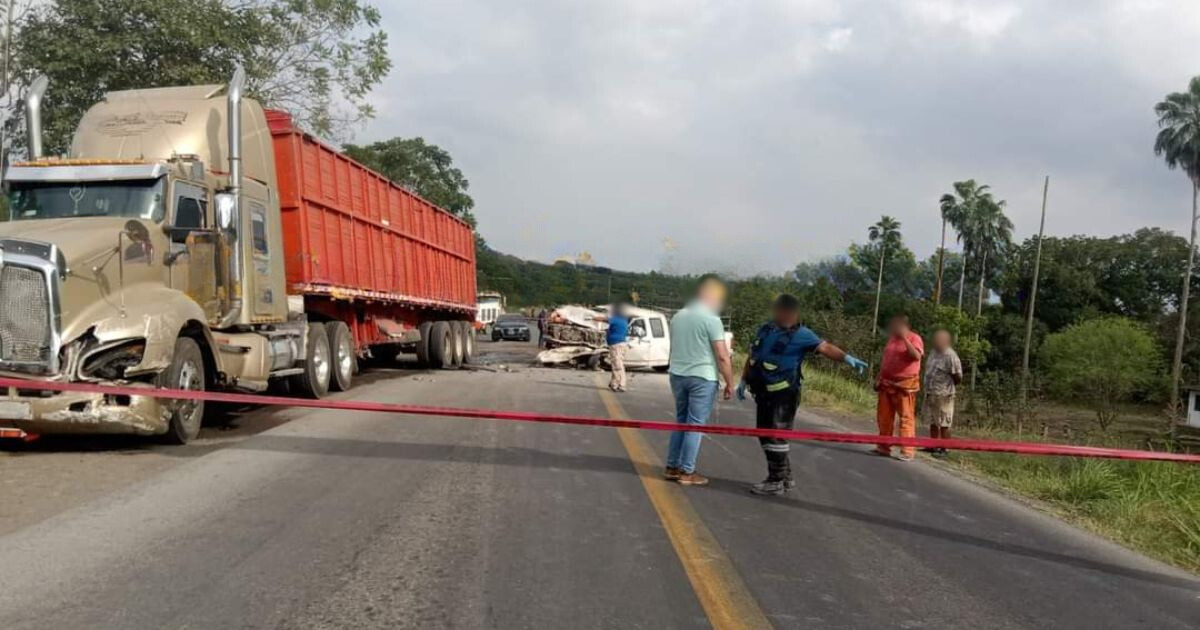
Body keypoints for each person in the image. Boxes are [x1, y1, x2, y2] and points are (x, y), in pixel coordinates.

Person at [737, 294, 868, 495]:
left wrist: (846, 358)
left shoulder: (802, 334)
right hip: (763, 393)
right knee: (764, 434)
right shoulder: (766, 329)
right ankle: (784, 475)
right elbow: (754, 355)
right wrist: (744, 379)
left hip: (783, 395)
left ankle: (776, 480)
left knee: (776, 437)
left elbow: (825, 347)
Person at [664, 275, 734, 486]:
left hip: (677, 374)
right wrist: (730, 382)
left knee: (681, 421)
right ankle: (687, 471)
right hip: (702, 377)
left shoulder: (678, 316)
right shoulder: (711, 319)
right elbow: (722, 355)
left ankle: (672, 467)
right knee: (695, 425)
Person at [874, 314, 924, 461]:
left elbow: (916, 356)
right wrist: (878, 378)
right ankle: (883, 447)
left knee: (906, 418)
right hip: (886, 383)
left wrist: (904, 338)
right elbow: (886, 361)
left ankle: (907, 451)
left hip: (904, 385)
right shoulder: (891, 339)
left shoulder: (915, 338)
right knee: (884, 417)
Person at [921, 329, 962, 458]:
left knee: (944, 422)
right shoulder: (934, 352)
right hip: (931, 392)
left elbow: (958, 376)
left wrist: (947, 386)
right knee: (933, 421)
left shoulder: (950, 355)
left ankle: (944, 448)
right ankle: (933, 445)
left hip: (944, 394)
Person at [605, 304, 631, 392]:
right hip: (620, 344)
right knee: (616, 363)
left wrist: (591, 318)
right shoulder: (624, 320)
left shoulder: (616, 319)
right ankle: (614, 383)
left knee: (617, 365)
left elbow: (604, 319)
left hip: (616, 344)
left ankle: (620, 384)